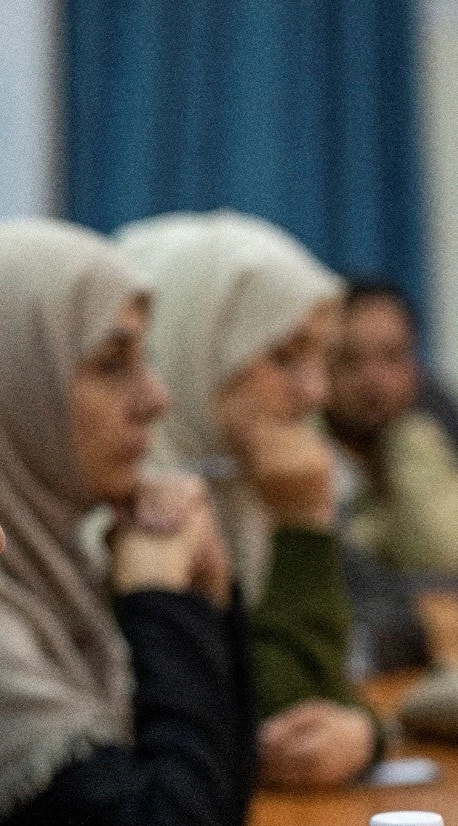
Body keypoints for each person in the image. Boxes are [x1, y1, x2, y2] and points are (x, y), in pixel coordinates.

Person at [0, 220, 255, 826]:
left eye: (147, 361)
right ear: (10, 384)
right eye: (112, 363)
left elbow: (222, 805)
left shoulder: (58, 562)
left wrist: (208, 598)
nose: (155, 398)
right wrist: (165, 605)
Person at [116, 210, 379, 789]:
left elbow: (313, 715)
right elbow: (267, 726)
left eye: (322, 360)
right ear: (192, 343)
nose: (316, 392)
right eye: (285, 356)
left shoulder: (239, 485)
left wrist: (363, 734)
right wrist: (304, 525)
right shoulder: (120, 505)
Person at [325, 278, 458, 670]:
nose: (374, 380)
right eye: (350, 360)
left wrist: (402, 445)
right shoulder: (305, 456)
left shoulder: (423, 433)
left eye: (393, 357)